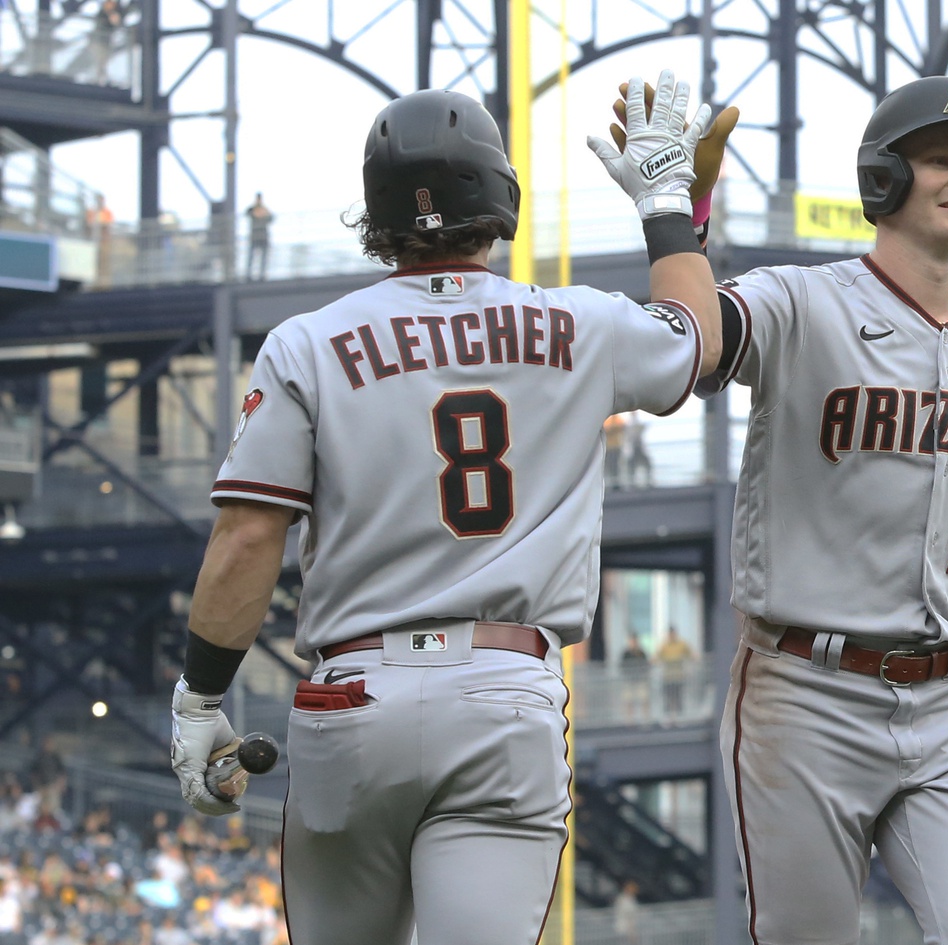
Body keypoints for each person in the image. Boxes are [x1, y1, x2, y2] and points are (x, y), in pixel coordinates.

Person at [168, 71, 727, 945]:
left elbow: (247, 538)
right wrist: (666, 201)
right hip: (503, 692)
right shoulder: (576, 323)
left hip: (351, 698)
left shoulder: (306, 343)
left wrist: (201, 703)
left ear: (374, 215)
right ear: (498, 196)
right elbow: (697, 339)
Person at [685, 76, 948, 944]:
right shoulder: (801, 302)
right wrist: (683, 216)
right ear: (882, 181)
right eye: (939, 158)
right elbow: (697, 345)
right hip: (804, 695)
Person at [654, 625, 695, 719]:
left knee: (678, 697)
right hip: (667, 677)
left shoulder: (682, 644)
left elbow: (691, 654)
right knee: (668, 698)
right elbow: (656, 657)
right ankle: (669, 718)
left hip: (678, 676)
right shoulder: (664, 645)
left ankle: (679, 717)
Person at [244, 192, 274, 281]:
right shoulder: (252, 209)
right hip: (255, 236)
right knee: (251, 256)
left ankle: (262, 274)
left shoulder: (265, 210)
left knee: (263, 257)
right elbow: (247, 213)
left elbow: (271, 218)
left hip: (263, 236)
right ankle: (248, 274)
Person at [625, 411, 653, 486]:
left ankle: (648, 481)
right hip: (634, 448)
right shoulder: (630, 425)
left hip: (639, 447)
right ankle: (633, 483)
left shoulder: (634, 424)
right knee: (632, 466)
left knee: (646, 464)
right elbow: (629, 436)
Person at [611, 879, 641, 945]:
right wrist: (632, 932)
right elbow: (628, 915)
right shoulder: (625, 900)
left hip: (622, 927)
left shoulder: (623, 899)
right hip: (625, 928)